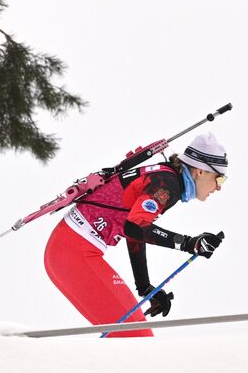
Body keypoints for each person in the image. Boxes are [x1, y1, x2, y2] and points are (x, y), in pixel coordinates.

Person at [43, 132, 227, 337]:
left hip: (67, 250)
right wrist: (188, 243)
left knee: (131, 338)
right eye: (219, 177)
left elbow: (134, 230)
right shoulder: (167, 184)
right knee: (138, 338)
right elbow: (135, 227)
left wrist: (145, 286)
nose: (219, 187)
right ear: (200, 171)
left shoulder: (166, 177)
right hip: (74, 254)